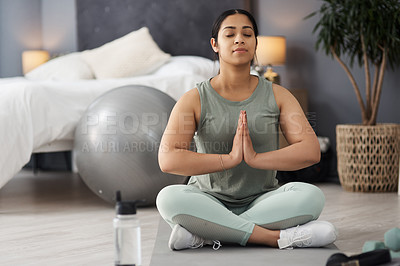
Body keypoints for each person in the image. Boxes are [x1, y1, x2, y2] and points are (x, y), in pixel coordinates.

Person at [156, 9, 337, 251]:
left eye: (247, 34)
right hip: (207, 200)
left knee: (312, 196)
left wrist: (255, 158)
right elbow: (168, 159)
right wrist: (228, 159)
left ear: (255, 44)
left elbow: (311, 151)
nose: (239, 39)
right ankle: (275, 237)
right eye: (230, 34)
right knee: (168, 198)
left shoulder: (278, 94)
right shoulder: (194, 99)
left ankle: (207, 233)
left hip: (263, 201)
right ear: (215, 44)